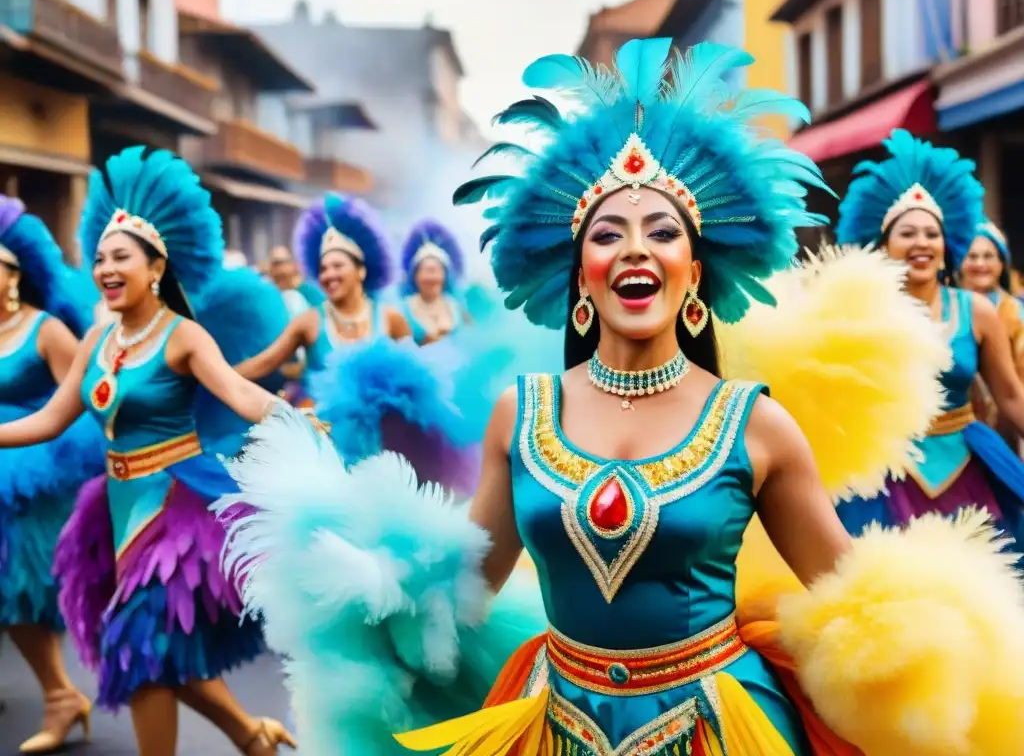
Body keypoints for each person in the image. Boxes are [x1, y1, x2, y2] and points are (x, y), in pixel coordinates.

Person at [217, 41, 1024, 756]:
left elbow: (855, 606)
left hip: (725, 727)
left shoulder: (758, 424)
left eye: (663, 232)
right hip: (555, 725)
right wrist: (358, 583)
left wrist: (951, 662)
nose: (636, 247)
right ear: (579, 275)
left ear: (696, 272)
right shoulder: (521, 414)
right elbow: (461, 592)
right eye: (608, 234)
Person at [0, 147, 296, 756]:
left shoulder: (183, 335)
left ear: (155, 267)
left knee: (138, 647)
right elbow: (51, 419)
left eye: (121, 258)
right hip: (112, 509)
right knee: (158, 653)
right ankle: (251, 734)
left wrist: (294, 419)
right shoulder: (97, 338)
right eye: (101, 258)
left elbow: (240, 391)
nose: (105, 268)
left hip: (176, 512)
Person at [833, 130, 1024, 553]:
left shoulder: (976, 311)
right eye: (907, 234)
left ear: (946, 246)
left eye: (931, 234)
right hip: (884, 473)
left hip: (968, 463)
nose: (921, 242)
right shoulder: (861, 310)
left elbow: (1011, 397)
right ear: (883, 246)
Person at [0, 195, 104, 753]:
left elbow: (81, 404)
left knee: (18, 591)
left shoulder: (45, 331)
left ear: (14, 275)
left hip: (31, 478)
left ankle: (61, 695)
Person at [234, 193, 410, 406]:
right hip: (320, 433)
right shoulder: (309, 321)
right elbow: (263, 363)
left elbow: (412, 377)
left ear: (361, 271)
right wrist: (208, 375)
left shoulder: (391, 319)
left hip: (376, 435)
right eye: (323, 269)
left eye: (338, 266)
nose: (329, 275)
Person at [959, 219, 1024, 446]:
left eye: (988, 256)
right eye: (972, 256)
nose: (980, 263)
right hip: (956, 429)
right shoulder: (948, 308)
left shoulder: (1017, 313)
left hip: (1008, 428)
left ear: (1001, 262)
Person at [398, 219, 471, 344]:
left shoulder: (457, 307)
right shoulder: (402, 309)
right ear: (415, 276)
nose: (431, 276)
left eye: (436, 269)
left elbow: (471, 341)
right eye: (425, 270)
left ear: (446, 275)